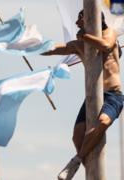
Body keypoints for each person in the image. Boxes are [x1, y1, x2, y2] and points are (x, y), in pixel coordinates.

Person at [42, 10, 123, 180]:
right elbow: (55, 49)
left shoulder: (110, 34)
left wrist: (85, 36)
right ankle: (91, 173)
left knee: (102, 122)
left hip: (112, 94)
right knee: (77, 136)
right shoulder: (80, 45)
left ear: (91, 21)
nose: (77, 25)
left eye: (80, 21)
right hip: (93, 96)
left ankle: (76, 160)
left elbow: (106, 46)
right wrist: (32, 47)